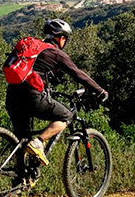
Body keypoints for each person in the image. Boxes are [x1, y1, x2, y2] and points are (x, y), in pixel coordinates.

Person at [6, 19, 108, 166]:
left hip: (12, 96)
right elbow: (78, 74)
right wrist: (100, 91)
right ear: (61, 38)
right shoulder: (55, 52)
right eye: (65, 38)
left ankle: (19, 180)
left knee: (23, 140)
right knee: (67, 115)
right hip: (32, 96)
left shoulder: (34, 48)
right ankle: (39, 142)